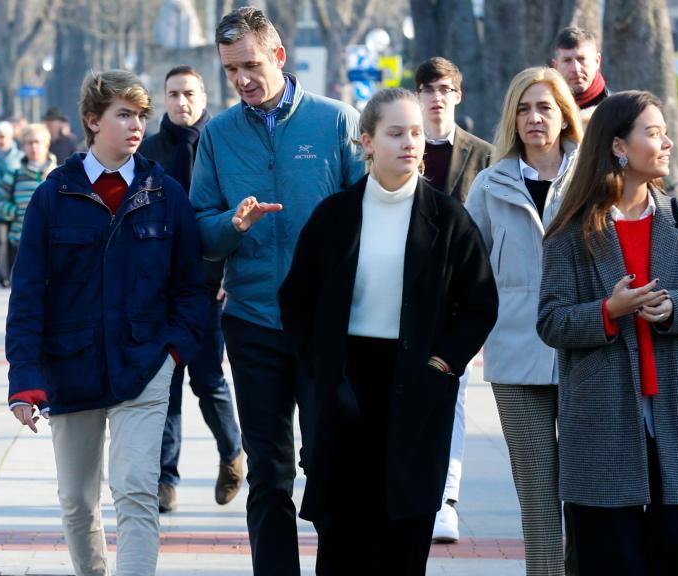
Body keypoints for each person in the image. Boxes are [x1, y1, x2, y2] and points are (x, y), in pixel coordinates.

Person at [278, 87, 498, 575]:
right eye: (395, 133)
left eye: (416, 133)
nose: (409, 143)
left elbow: (480, 304)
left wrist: (442, 364)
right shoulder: (334, 216)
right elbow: (296, 300)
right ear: (367, 142)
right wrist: (320, 368)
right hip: (346, 385)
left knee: (404, 536)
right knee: (343, 539)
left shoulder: (449, 220)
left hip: (418, 381)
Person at [5, 69, 207, 576]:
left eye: (141, 115)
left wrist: (173, 352)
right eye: (124, 114)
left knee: (136, 490)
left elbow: (191, 284)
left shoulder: (166, 194)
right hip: (69, 365)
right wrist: (24, 377)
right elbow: (28, 291)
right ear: (93, 121)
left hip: (144, 364)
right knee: (77, 499)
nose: (136, 124)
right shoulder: (54, 196)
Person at [190, 7, 364, 574]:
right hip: (253, 321)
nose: (241, 79)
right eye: (230, 69)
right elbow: (200, 230)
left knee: (331, 462)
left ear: (279, 57)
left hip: (326, 327)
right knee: (268, 471)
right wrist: (231, 226)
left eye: (250, 65)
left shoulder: (336, 122)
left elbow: (371, 214)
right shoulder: (216, 135)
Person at [538, 91, 678, 576]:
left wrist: (671, 308)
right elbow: (551, 320)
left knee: (677, 548)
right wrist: (609, 309)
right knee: (608, 557)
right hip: (601, 421)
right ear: (619, 145)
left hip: (675, 413)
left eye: (664, 131)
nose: (665, 143)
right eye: (653, 132)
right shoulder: (571, 227)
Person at [464, 66, 581, 574]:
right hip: (514, 354)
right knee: (536, 490)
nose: (534, 118)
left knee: (585, 488)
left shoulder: (595, 178)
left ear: (564, 116)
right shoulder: (490, 185)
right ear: (512, 117)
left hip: (586, 350)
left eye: (546, 107)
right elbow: (467, 271)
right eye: (524, 108)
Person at [139, 65, 243, 513]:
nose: (182, 102)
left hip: (208, 287)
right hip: (158, 290)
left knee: (207, 378)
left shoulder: (222, 145)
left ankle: (232, 452)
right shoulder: (148, 152)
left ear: (204, 96)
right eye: (174, 94)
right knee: (165, 383)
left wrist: (227, 278)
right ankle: (165, 479)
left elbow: (238, 215)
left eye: (190, 94)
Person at [413, 55, 494, 543]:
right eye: (428, 88)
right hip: (405, 293)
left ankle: (446, 498)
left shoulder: (482, 155)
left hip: (458, 297)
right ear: (418, 94)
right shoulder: (401, 145)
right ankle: (415, 490)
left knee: (454, 393)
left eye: (445, 88)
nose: (436, 96)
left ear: (457, 96)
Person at [0, 124, 57, 268]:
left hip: (52, 241)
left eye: (38, 142)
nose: (34, 147)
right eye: (29, 142)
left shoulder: (59, 173)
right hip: (21, 240)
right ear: (23, 146)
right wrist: (16, 211)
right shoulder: (14, 173)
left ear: (47, 144)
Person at [0, 121, 24, 287]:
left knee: (14, 242)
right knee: (0, 243)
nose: (0, 140)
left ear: (10, 138)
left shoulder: (20, 157)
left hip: (15, 206)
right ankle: (3, 276)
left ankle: (12, 271)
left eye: (3, 137)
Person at [551, 27, 607, 126]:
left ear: (597, 61)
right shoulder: (546, 111)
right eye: (567, 60)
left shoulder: (617, 110)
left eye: (581, 59)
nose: (575, 69)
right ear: (556, 66)